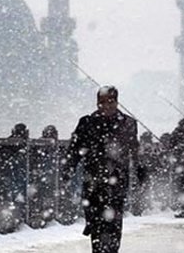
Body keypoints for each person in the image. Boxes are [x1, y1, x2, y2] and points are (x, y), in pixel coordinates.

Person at [62, 86, 144, 253]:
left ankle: (109, 248)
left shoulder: (128, 123)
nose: (105, 106)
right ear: (97, 103)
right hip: (93, 181)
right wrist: (69, 168)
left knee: (113, 224)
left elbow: (134, 150)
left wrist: (139, 168)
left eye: (110, 102)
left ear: (116, 102)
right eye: (101, 102)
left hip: (117, 181)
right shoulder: (86, 123)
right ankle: (97, 240)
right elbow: (75, 149)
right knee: (96, 222)